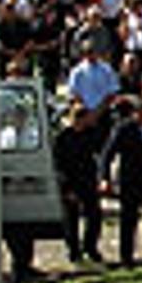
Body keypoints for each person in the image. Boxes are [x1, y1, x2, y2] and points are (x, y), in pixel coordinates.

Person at [99, 97, 142, 267]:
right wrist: (104, 178)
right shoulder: (124, 129)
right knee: (129, 219)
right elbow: (107, 154)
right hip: (131, 179)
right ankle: (126, 256)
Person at [54, 104, 104, 265]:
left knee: (94, 215)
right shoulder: (63, 138)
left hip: (88, 180)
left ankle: (90, 247)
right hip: (71, 182)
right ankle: (74, 251)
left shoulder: (90, 134)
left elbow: (96, 155)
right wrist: (67, 188)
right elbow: (59, 165)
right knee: (71, 219)